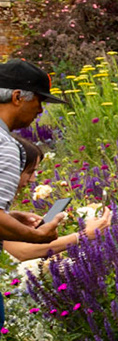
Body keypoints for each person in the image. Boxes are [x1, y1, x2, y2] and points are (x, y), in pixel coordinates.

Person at [0, 59, 67, 243]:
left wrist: (9, 217)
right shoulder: (5, 146)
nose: (40, 110)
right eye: (39, 101)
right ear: (17, 97)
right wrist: (37, 235)